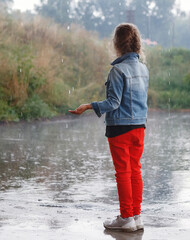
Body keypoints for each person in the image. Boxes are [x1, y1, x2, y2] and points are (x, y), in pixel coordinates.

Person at [69, 23, 149, 232]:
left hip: (120, 129)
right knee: (135, 171)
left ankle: (125, 217)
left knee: (123, 172)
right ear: (137, 44)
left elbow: (113, 103)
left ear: (116, 44)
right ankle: (136, 216)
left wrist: (89, 106)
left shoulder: (117, 71)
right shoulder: (143, 69)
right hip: (139, 127)